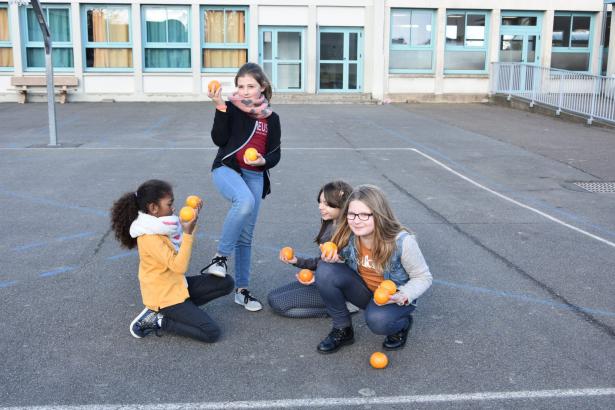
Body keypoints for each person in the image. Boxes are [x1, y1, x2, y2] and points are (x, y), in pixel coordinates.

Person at [110, 179, 234, 343]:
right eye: (169, 204)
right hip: (164, 297)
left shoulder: (159, 226)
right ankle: (161, 320)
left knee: (226, 282)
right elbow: (179, 266)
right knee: (211, 333)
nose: (173, 208)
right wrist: (188, 234)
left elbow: (181, 244)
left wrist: (192, 223)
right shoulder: (149, 237)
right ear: (153, 208)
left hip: (176, 285)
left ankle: (184, 311)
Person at [314, 185, 432, 354]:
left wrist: (404, 295)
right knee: (326, 270)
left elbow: (423, 277)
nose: (356, 220)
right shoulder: (348, 234)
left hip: (393, 297)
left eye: (364, 214)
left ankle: (402, 324)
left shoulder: (402, 242)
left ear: (379, 215)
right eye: (352, 214)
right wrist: (336, 259)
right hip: (365, 291)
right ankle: (343, 329)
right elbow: (345, 261)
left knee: (378, 321)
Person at [202, 62, 281, 312]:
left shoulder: (272, 119)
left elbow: (276, 153)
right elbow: (219, 139)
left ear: (263, 87)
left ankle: (242, 291)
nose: (245, 91)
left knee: (246, 236)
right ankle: (220, 257)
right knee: (244, 202)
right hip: (228, 169)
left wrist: (263, 160)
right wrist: (219, 107)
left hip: (255, 175)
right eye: (240, 86)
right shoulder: (231, 109)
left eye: (250, 86)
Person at [267, 181, 354, 318]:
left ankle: (343, 307)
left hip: (338, 289)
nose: (320, 207)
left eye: (326, 203)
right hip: (321, 280)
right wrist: (296, 261)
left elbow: (350, 271)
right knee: (272, 296)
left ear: (342, 205)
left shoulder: (351, 233)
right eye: (319, 202)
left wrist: (317, 280)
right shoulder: (330, 224)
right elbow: (321, 262)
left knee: (280, 304)